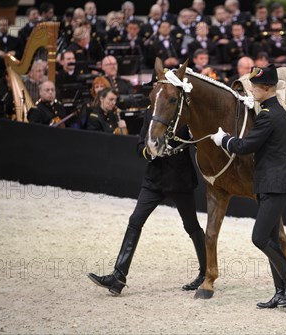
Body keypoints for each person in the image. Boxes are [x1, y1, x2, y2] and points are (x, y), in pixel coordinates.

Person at [210, 64, 286, 309]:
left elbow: (244, 147)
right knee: (271, 238)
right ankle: (281, 292)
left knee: (259, 237)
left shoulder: (268, 116)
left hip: (273, 185)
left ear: (266, 88)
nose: (251, 90)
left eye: (254, 87)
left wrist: (223, 140)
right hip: (273, 183)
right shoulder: (278, 113)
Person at [87, 107, 205, 295]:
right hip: (155, 178)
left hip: (179, 178)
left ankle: (206, 272)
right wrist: (149, 152)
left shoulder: (184, 111)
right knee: (135, 221)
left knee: (191, 225)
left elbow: (198, 140)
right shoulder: (151, 112)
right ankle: (118, 276)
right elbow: (140, 145)